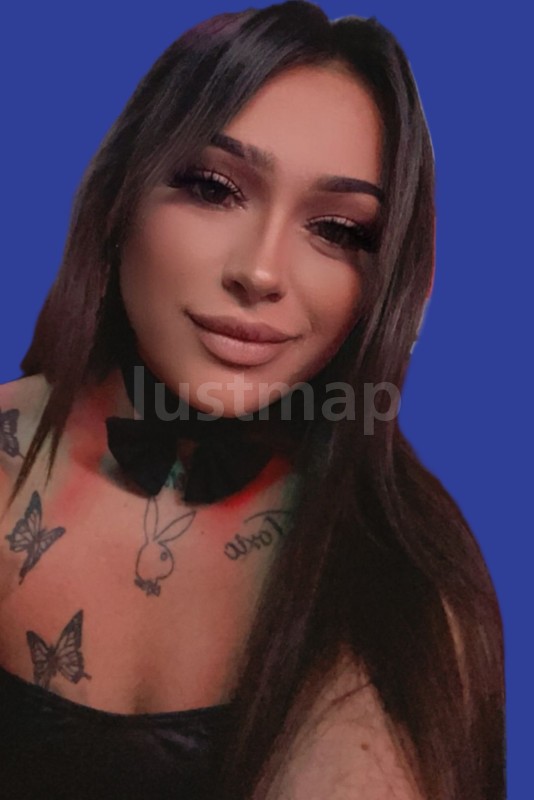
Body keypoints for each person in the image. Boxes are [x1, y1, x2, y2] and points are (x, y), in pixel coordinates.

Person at [0, 1, 504, 798]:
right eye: (213, 187)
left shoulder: (408, 567)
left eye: (338, 230)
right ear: (120, 196)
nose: (261, 272)